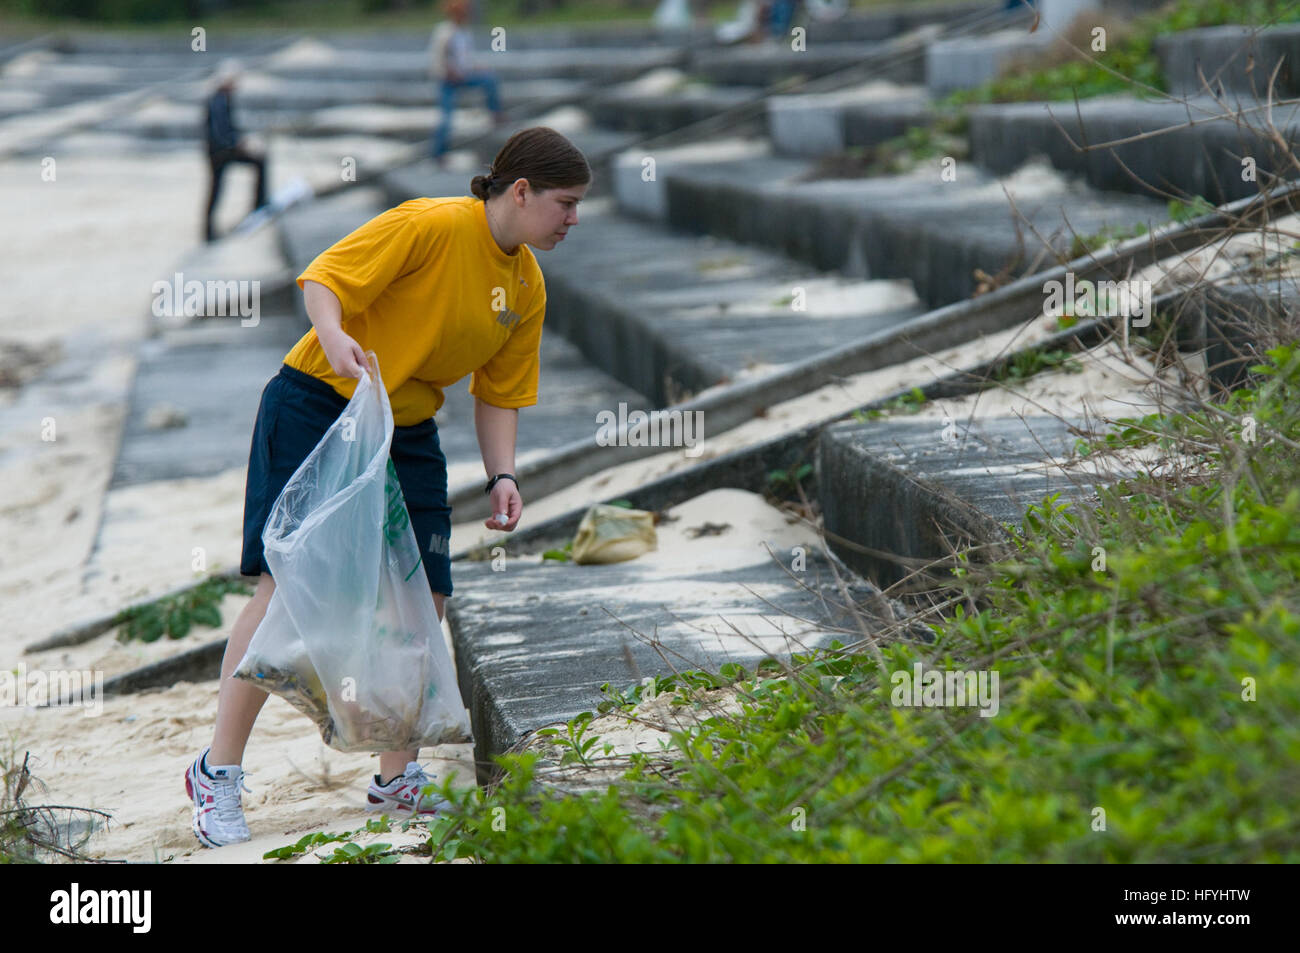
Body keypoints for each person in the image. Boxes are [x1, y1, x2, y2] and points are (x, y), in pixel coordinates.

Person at [184, 127, 592, 848]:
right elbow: (323, 279)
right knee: (286, 585)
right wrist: (336, 334)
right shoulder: (431, 225)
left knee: (425, 591)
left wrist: (504, 475)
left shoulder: (527, 285)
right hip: (318, 403)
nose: (574, 219)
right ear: (520, 191)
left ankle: (394, 775)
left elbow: (499, 393)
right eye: (565, 203)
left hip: (406, 427)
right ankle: (217, 772)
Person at [429, 0, 506, 166]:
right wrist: (448, 72)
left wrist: (477, 67)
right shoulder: (444, 32)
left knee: (489, 79)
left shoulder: (465, 32)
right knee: (446, 118)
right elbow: (438, 59)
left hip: (465, 75)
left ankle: (496, 114)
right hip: (448, 80)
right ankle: (438, 153)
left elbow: (466, 59)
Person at [203, 59, 268, 243]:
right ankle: (259, 205)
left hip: (220, 150)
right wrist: (236, 143)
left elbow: (228, 128)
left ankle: (209, 229)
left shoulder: (221, 99)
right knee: (217, 188)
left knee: (215, 189)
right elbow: (219, 132)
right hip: (220, 152)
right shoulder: (217, 101)